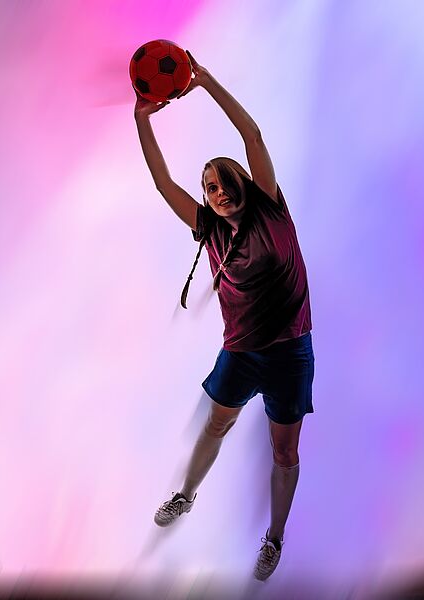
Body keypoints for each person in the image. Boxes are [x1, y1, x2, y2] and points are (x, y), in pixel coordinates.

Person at [134, 52, 314, 581]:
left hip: (289, 352)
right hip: (240, 351)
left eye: (223, 180)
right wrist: (143, 120)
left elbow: (252, 136)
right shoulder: (208, 230)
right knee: (216, 422)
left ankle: (274, 538)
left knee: (285, 451)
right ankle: (185, 496)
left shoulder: (270, 208)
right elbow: (165, 183)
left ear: (242, 182)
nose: (216, 191)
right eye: (209, 186)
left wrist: (206, 79)